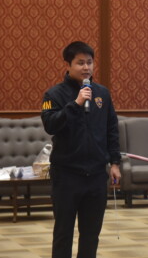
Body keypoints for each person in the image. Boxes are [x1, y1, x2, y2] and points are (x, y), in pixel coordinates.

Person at [41, 41, 121, 258]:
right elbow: (50, 125)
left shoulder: (102, 94)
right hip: (66, 175)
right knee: (63, 233)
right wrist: (75, 104)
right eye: (80, 63)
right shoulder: (52, 95)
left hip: (96, 175)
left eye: (89, 62)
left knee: (91, 234)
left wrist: (115, 163)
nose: (86, 67)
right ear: (67, 65)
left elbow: (111, 130)